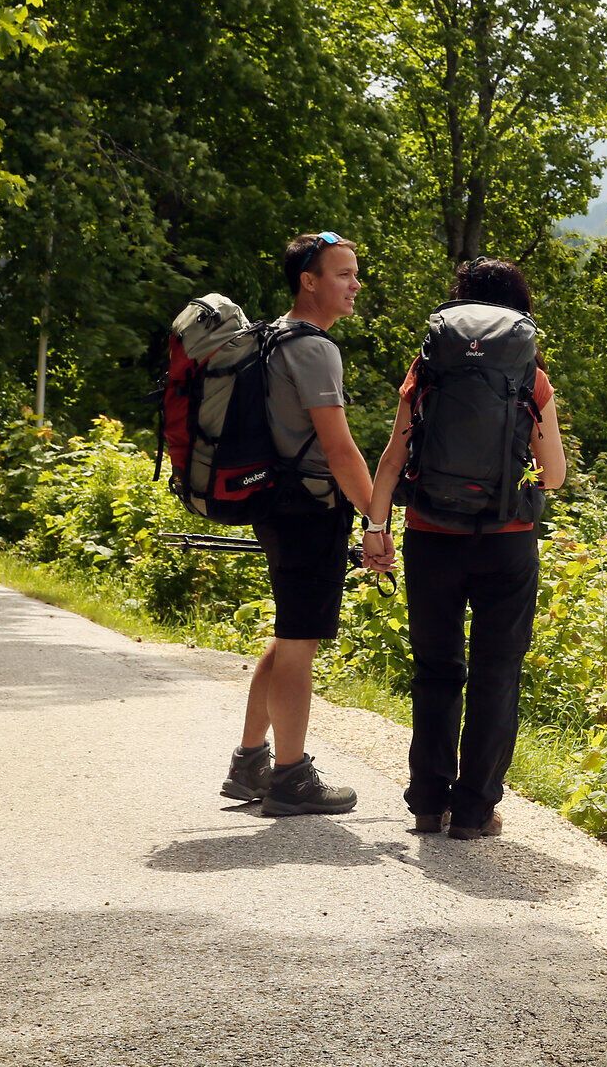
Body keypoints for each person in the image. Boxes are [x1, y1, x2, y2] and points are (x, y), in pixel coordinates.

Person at [366, 257, 566, 839]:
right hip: (506, 543)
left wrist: (376, 526)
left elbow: (395, 455)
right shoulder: (529, 374)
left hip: (430, 536)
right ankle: (475, 811)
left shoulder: (429, 365)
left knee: (436, 669)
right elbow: (554, 475)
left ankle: (429, 803)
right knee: (496, 674)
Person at [221, 231, 377, 816]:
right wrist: (377, 518)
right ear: (308, 281)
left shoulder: (270, 336)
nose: (355, 284)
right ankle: (290, 777)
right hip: (310, 509)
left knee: (289, 635)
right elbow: (339, 449)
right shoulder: (314, 348)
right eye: (343, 274)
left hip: (274, 501)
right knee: (298, 643)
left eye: (355, 273)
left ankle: (250, 762)